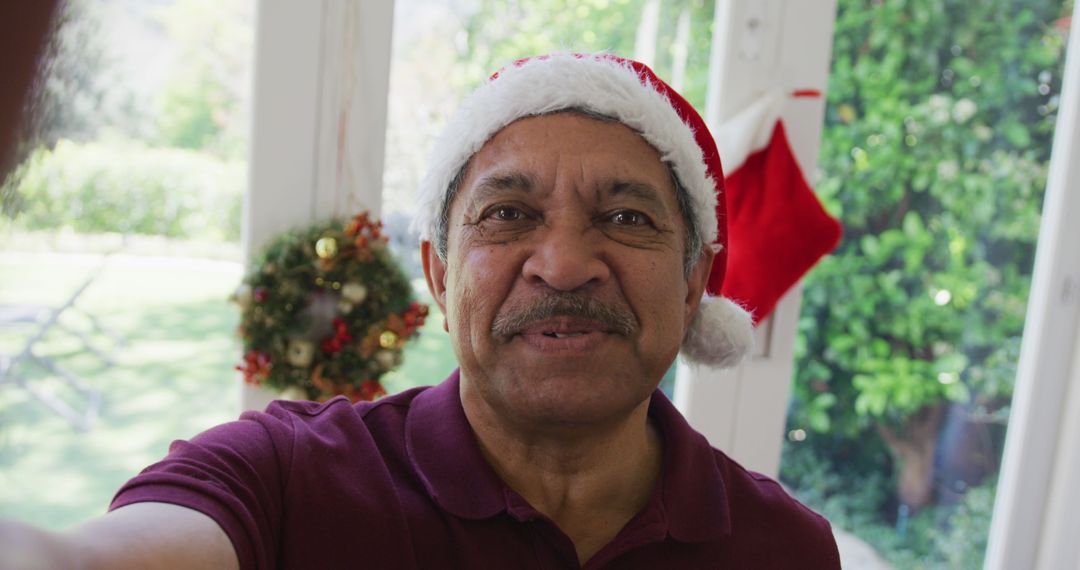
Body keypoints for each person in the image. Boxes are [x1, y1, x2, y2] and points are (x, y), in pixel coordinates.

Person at [1, 53, 840, 569]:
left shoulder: (789, 551)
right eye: (507, 214)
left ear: (695, 284)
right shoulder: (281, 480)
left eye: (626, 218)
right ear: (440, 278)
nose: (564, 263)